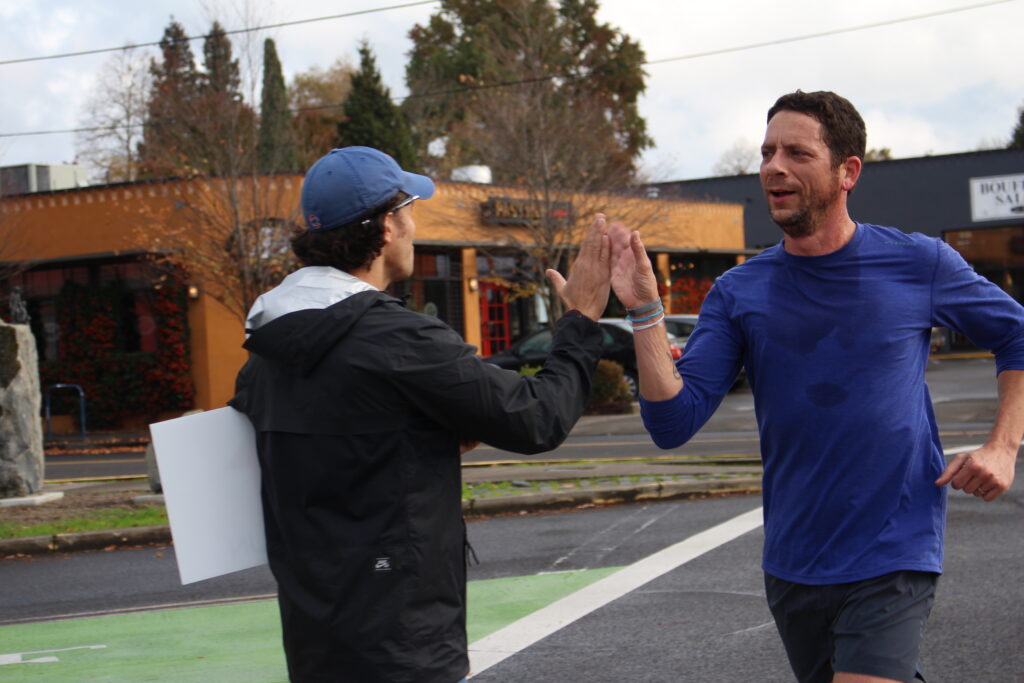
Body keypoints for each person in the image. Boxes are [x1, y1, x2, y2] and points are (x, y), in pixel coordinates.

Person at [609, 91, 1024, 683]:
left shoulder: (918, 264)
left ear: (847, 171)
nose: (774, 166)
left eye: (797, 152)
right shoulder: (737, 291)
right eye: (767, 152)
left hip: (894, 545)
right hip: (794, 561)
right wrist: (647, 312)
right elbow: (672, 423)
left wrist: (1003, 447)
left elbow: (1018, 337)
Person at [231, 146, 612, 682]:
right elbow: (537, 418)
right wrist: (580, 320)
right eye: (408, 209)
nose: (414, 225)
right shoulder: (399, 338)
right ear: (386, 227)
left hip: (314, 636)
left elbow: (339, 446)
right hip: (403, 640)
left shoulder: (266, 348)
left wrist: (422, 436)